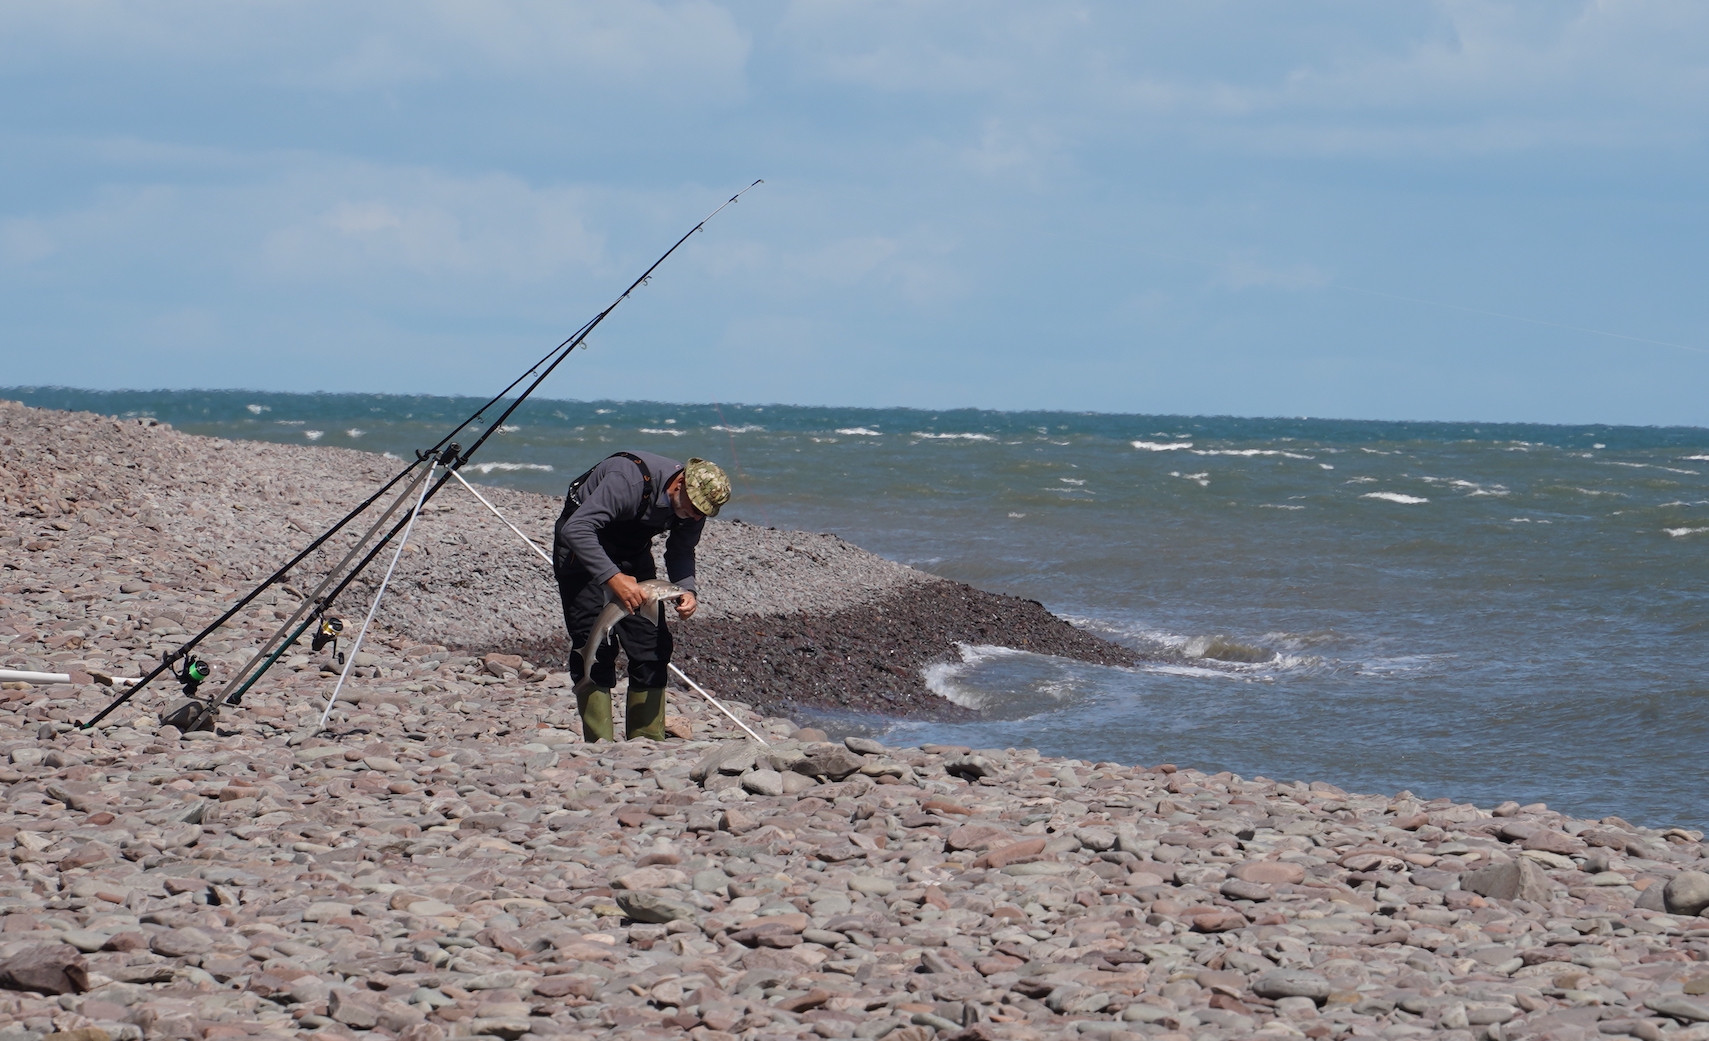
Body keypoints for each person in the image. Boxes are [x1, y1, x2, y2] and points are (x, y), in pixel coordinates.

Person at [551, 451, 730, 741]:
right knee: (594, 643)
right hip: (581, 549)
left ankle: (646, 740)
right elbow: (577, 528)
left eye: (703, 512)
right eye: (694, 507)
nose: (696, 515)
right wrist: (613, 578)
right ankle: (599, 743)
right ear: (680, 482)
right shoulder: (627, 480)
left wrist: (687, 589)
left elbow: (681, 550)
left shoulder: (694, 508)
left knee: (652, 644)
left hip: (632, 554)